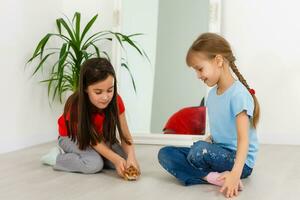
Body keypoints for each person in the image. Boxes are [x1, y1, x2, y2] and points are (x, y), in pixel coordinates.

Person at [158, 32, 260, 198]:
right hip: (215, 152)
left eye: (200, 69)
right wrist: (211, 140)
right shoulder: (211, 95)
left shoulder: (238, 95)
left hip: (240, 162)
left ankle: (224, 175)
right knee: (165, 153)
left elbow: (243, 140)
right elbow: (224, 130)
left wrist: (235, 174)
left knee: (199, 151)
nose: (198, 76)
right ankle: (211, 177)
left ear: (218, 61)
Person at [41, 58, 140, 179]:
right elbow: (93, 142)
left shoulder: (116, 100)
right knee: (94, 164)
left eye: (110, 90)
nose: (105, 97)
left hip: (98, 137)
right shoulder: (75, 106)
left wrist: (131, 156)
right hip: (72, 137)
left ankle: (98, 157)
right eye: (98, 92)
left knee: (124, 160)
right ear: (86, 88)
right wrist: (115, 158)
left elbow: (126, 136)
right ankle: (57, 157)